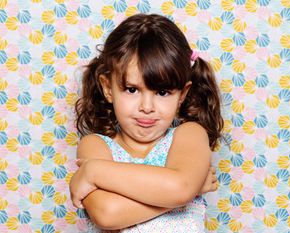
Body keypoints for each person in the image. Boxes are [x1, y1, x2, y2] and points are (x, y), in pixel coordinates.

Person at [70, 13, 223, 232]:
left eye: (162, 92)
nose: (147, 106)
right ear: (107, 88)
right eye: (132, 90)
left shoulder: (189, 134)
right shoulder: (96, 146)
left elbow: (180, 187)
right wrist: (190, 191)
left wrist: (94, 172)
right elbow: (107, 213)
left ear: (182, 94)